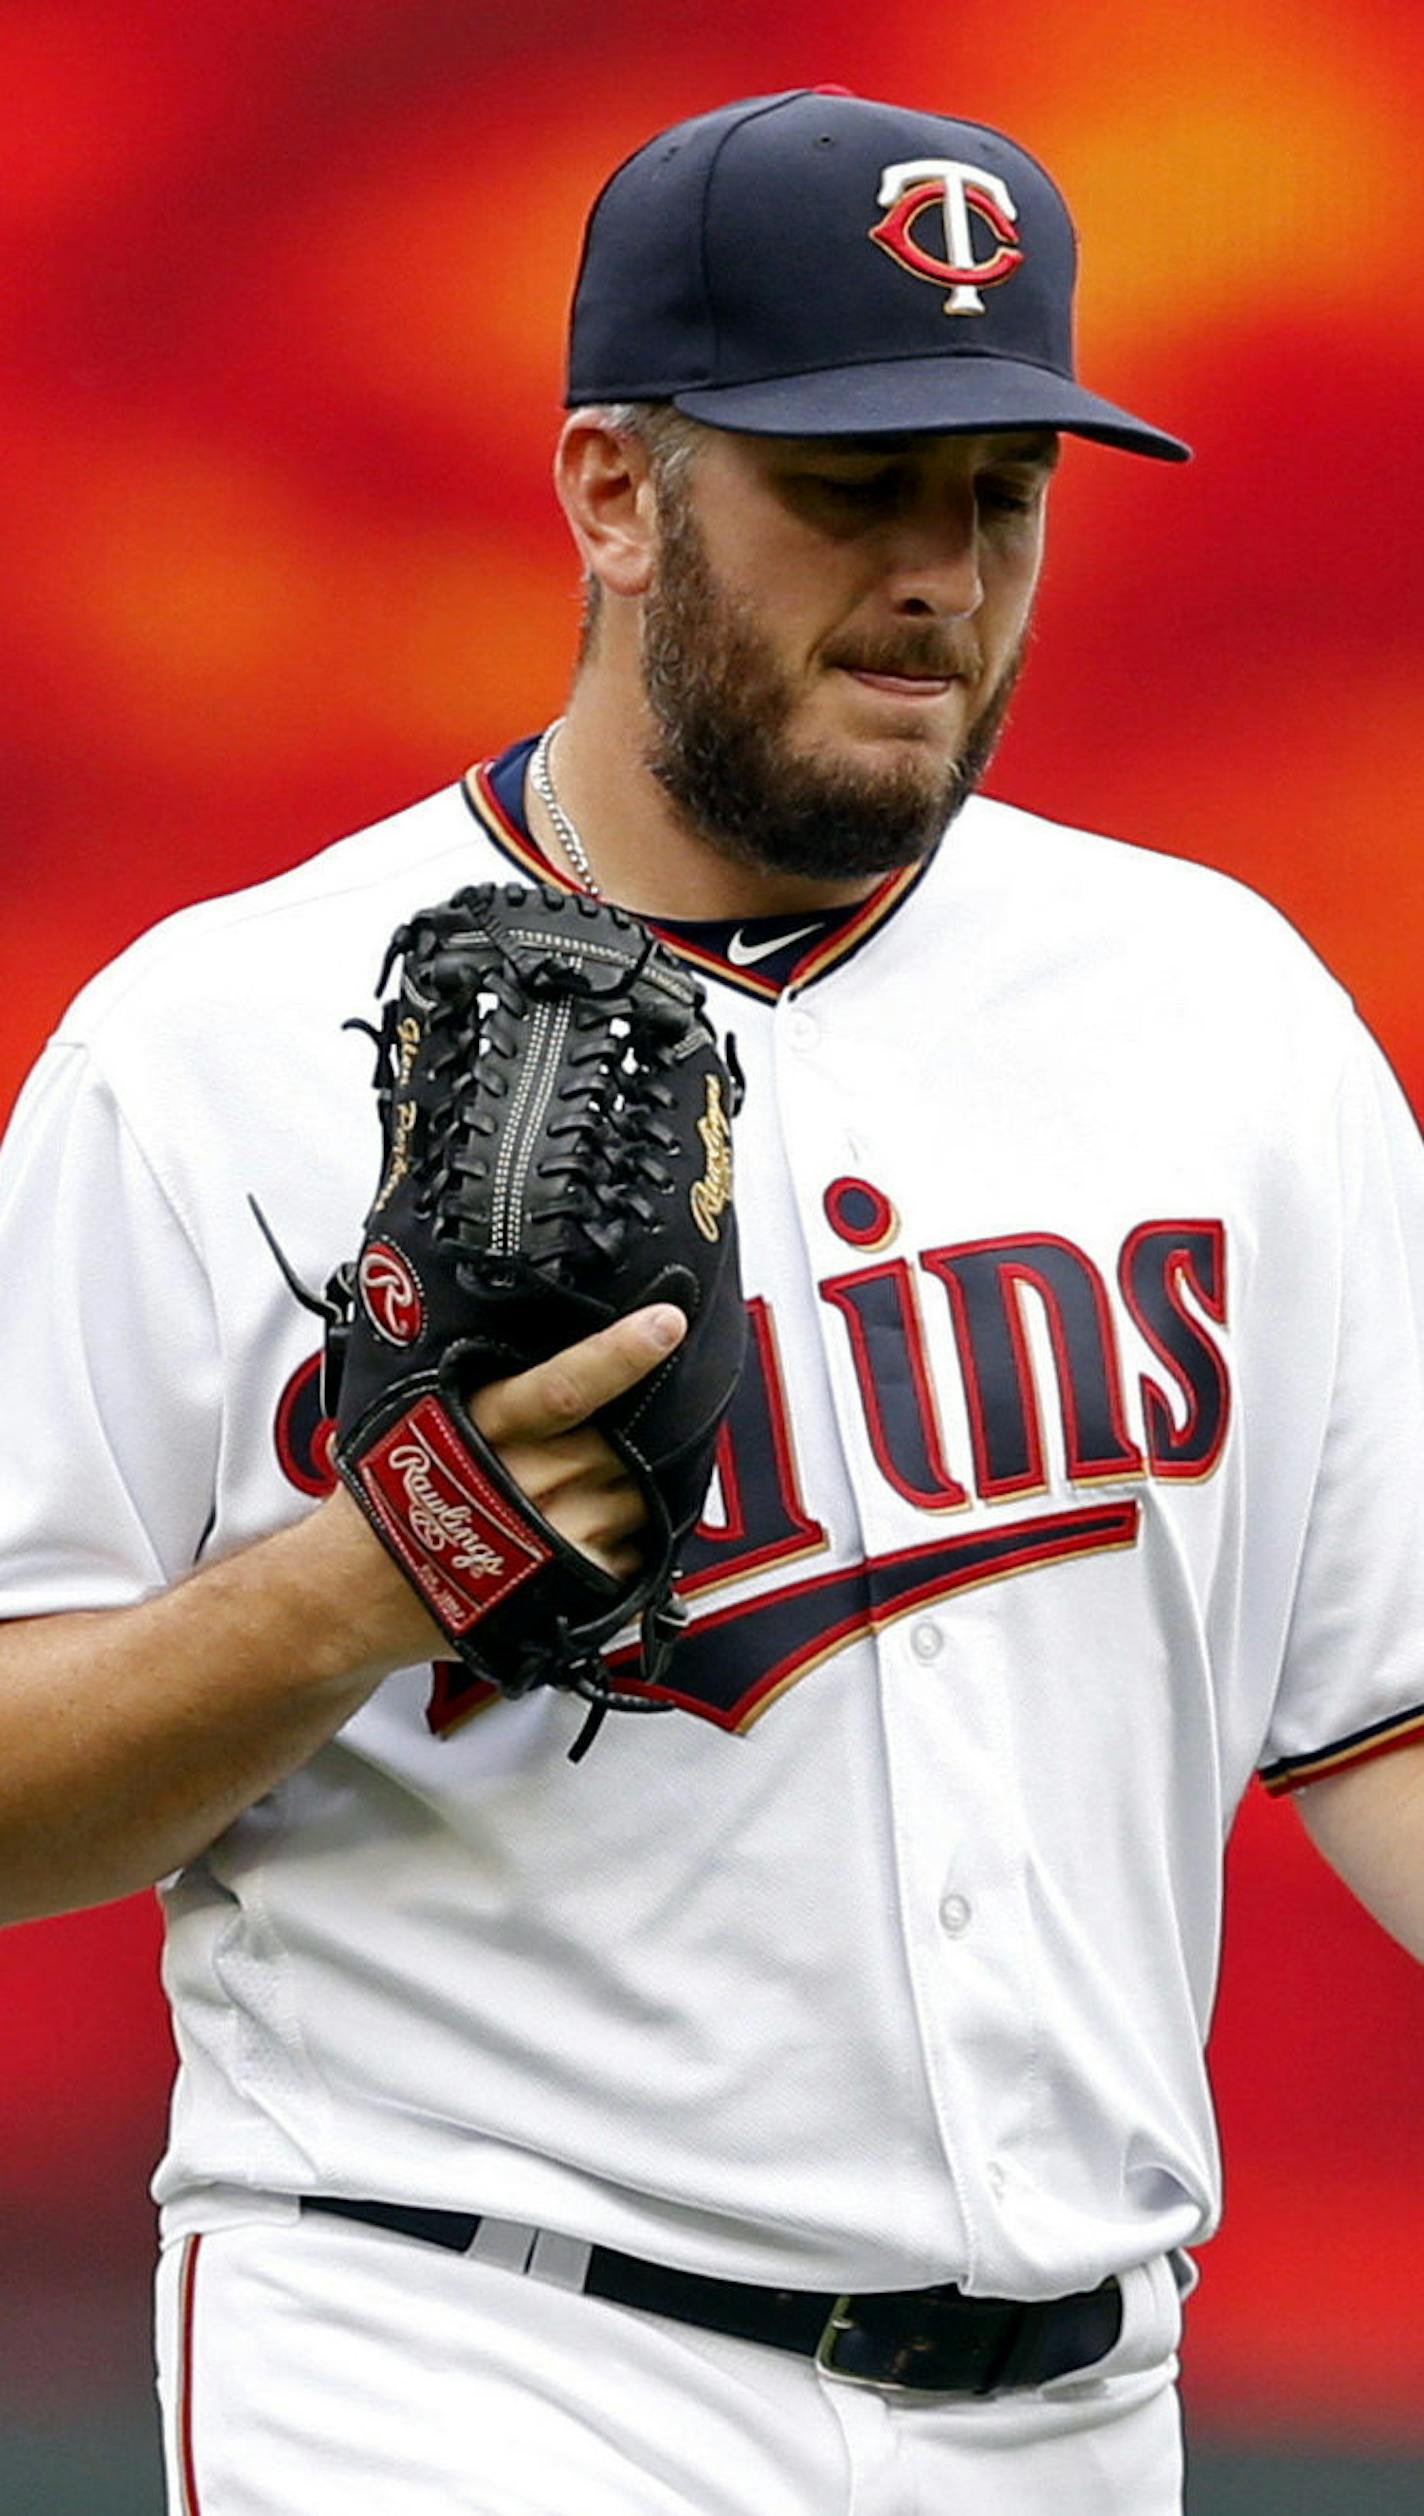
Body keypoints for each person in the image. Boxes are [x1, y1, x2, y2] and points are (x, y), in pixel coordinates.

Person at [0, 85, 1421, 2516]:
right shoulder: (209, 1045)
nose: (936, 577)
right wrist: (373, 1575)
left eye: (1000, 495)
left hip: (1078, 2412)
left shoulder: (1222, 1005)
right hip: (462, 2358)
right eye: (848, 489)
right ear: (613, 495)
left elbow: (1382, 1717)